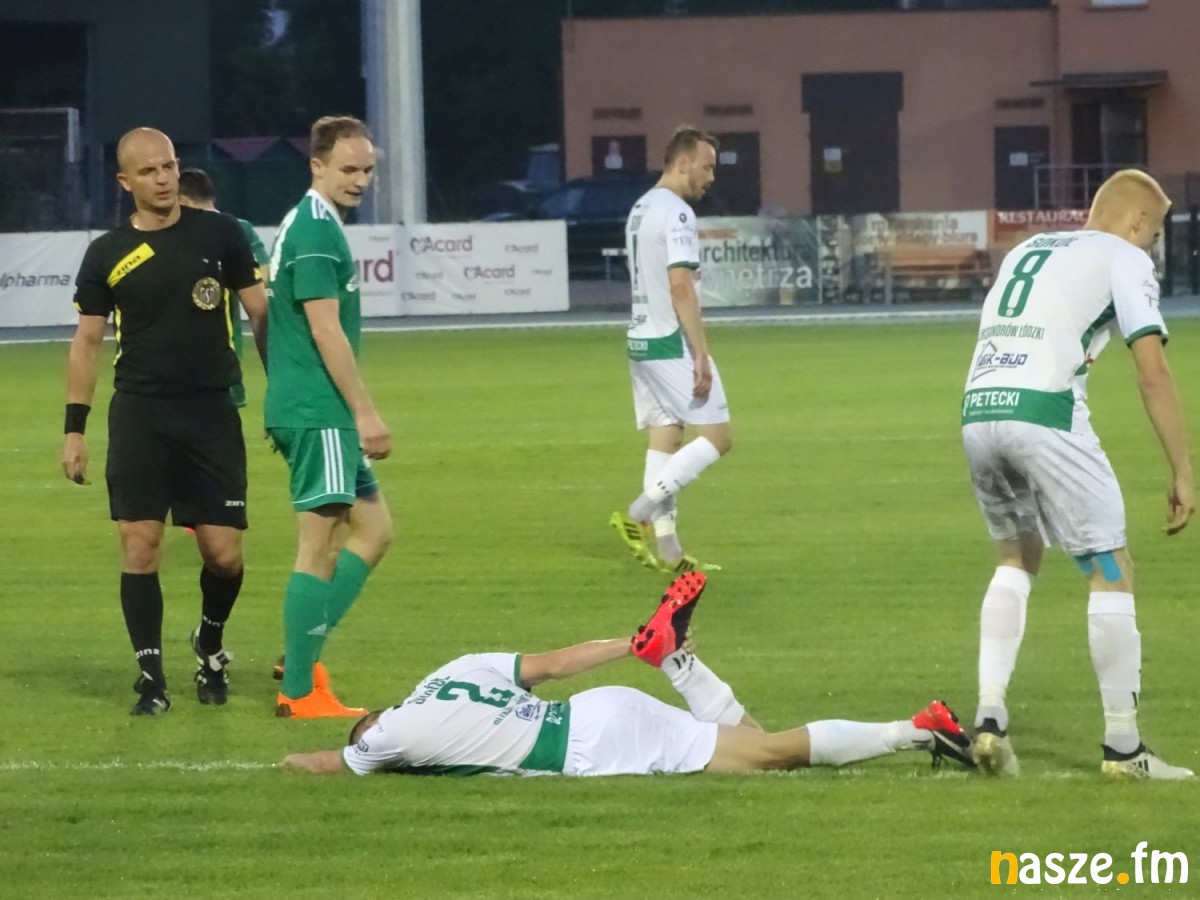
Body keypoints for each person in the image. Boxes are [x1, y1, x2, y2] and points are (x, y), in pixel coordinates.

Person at [960, 169, 1194, 780]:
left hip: (980, 412)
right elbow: (1152, 372)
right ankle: (1124, 749)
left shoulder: (1028, 250)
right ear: (1137, 222)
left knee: (1017, 556)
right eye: (1155, 234)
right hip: (1046, 415)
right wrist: (1183, 469)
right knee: (1110, 567)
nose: (1153, 248)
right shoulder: (1124, 256)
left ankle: (989, 715)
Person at [281, 573, 974, 776]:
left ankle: (917, 731)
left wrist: (287, 762)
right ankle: (670, 658)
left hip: (591, 749)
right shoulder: (453, 671)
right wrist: (628, 644)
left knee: (770, 754)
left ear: (371, 725)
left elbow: (322, 763)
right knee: (761, 745)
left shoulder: (387, 742)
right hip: (596, 709)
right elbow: (556, 664)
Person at [61, 127, 268, 714]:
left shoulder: (221, 234)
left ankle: (209, 643)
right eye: (149, 171)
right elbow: (86, 342)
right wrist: (74, 428)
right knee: (140, 546)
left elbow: (261, 316)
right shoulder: (107, 252)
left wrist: (283, 394)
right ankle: (151, 679)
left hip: (210, 412)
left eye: (170, 166)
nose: (163, 178)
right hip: (141, 415)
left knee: (224, 555)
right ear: (124, 181)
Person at [265, 115, 394, 719]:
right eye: (348, 169)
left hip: (313, 406)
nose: (360, 179)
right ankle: (298, 689)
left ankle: (300, 655)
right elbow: (324, 329)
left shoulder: (308, 222)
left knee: (375, 530)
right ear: (317, 166)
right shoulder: (316, 230)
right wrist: (365, 413)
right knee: (318, 545)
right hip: (320, 411)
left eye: (367, 169)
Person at [611, 126, 731, 574]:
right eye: (706, 167)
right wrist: (700, 353)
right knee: (717, 437)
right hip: (667, 341)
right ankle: (636, 513)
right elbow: (680, 287)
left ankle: (669, 553)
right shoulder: (678, 213)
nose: (711, 177)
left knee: (667, 437)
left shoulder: (641, 207)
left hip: (640, 340)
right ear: (683, 163)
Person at [177, 167, 271, 408]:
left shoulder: (173, 234)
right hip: (226, 361)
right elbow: (264, 275)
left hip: (179, 365)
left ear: (183, 200)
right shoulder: (240, 228)